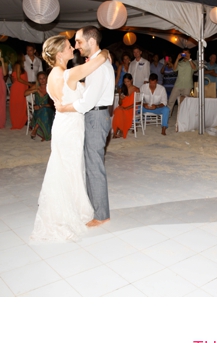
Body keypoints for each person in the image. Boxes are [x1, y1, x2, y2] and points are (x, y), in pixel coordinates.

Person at [29, 34, 110, 242]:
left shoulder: (53, 75)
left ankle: (66, 209)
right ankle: (69, 212)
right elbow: (99, 60)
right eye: (67, 47)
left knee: (63, 167)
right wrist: (107, 51)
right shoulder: (70, 74)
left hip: (61, 125)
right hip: (72, 127)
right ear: (58, 53)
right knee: (71, 168)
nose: (72, 49)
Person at [52, 27, 115, 229]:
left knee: (94, 165)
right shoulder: (98, 62)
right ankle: (94, 207)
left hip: (96, 116)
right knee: (90, 163)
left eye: (79, 42)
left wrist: (63, 108)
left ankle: (101, 214)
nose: (77, 46)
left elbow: (87, 103)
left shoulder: (98, 66)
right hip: (96, 115)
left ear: (91, 41)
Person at [167, 48, 196, 120]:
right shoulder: (180, 62)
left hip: (187, 85)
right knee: (171, 100)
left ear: (189, 54)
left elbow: (194, 68)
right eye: (183, 53)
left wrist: (189, 59)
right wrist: (177, 58)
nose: (185, 55)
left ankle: (184, 118)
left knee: (185, 103)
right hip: (178, 84)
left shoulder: (193, 62)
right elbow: (174, 69)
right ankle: (167, 116)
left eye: (186, 53)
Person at [28, 72, 55, 141]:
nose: (42, 80)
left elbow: (52, 104)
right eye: (40, 79)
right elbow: (25, 93)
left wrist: (41, 106)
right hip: (38, 111)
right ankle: (44, 134)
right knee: (43, 111)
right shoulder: (37, 87)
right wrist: (37, 90)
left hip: (49, 110)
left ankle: (35, 128)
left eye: (44, 78)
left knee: (45, 110)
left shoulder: (51, 87)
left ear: (46, 78)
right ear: (38, 80)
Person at [112, 74, 137, 138]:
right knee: (118, 111)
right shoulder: (122, 89)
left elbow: (137, 103)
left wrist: (127, 108)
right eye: (125, 82)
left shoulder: (136, 89)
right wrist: (120, 98)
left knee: (121, 111)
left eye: (128, 81)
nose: (126, 83)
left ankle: (121, 130)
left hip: (132, 108)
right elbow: (120, 104)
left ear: (131, 80)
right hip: (123, 107)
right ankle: (115, 132)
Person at [9, 59, 30, 130]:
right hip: (18, 88)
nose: (24, 57)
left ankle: (23, 120)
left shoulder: (20, 66)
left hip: (21, 87)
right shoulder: (18, 65)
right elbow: (18, 78)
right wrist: (30, 84)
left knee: (22, 105)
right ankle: (17, 122)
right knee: (18, 105)